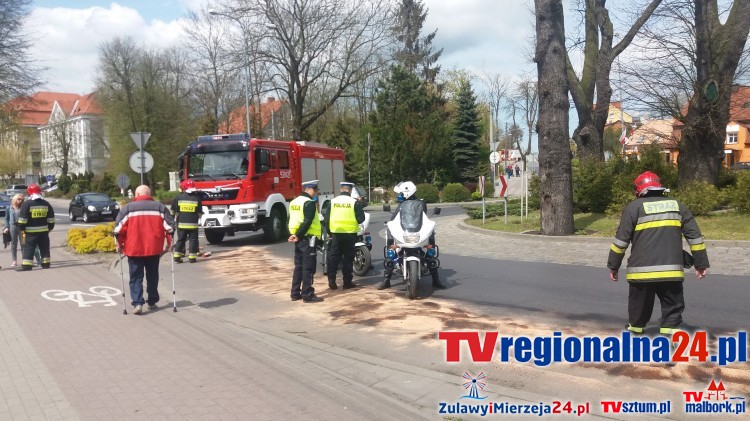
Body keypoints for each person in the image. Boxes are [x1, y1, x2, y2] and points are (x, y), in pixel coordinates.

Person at [607, 171, 709, 335]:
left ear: (639, 190)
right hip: (671, 272)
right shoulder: (678, 205)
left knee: (638, 308)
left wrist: (613, 266)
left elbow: (621, 242)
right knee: (672, 309)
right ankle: (668, 340)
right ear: (659, 187)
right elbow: (695, 237)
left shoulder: (634, 208)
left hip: (641, 273)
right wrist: (701, 263)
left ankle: (635, 335)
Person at [114, 185, 175, 315]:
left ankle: (137, 303)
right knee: (152, 275)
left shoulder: (128, 209)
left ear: (136, 195)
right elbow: (170, 228)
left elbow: (118, 230)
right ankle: (152, 301)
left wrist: (119, 245)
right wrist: (170, 244)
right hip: (153, 249)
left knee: (136, 277)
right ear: (150, 194)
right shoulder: (160, 208)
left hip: (134, 249)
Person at [378, 181, 446, 290]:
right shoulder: (401, 205)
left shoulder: (420, 203)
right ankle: (386, 280)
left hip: (417, 232)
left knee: (430, 247)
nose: (399, 196)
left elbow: (422, 218)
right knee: (391, 250)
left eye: (400, 193)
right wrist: (391, 223)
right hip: (405, 232)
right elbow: (394, 218)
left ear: (407, 192)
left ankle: (436, 279)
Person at [287, 180, 324, 303]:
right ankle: (307, 294)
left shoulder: (294, 202)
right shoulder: (308, 203)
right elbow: (307, 221)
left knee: (299, 266)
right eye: (314, 190)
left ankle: (295, 293)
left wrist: (295, 235)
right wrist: (298, 235)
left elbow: (294, 220)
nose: (316, 193)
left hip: (298, 238)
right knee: (308, 267)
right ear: (308, 189)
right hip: (307, 238)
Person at [325, 182, 366, 290]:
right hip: (350, 234)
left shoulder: (333, 201)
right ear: (350, 190)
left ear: (341, 189)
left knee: (334, 257)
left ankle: (331, 280)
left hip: (336, 234)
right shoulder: (354, 202)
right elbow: (361, 219)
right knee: (347, 259)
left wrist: (330, 232)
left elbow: (326, 219)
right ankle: (347, 282)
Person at [17, 185, 54, 271]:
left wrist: (22, 229)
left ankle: (27, 266)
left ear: (30, 193)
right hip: (44, 232)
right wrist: (49, 229)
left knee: (29, 248)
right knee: (44, 248)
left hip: (30, 232)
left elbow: (22, 220)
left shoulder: (27, 204)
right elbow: (51, 220)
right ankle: (45, 264)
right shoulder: (46, 204)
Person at [171, 180, 202, 263]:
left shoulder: (178, 198)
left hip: (181, 224)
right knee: (193, 240)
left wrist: (172, 221)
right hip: (193, 224)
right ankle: (192, 258)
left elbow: (173, 211)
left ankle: (177, 256)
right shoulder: (197, 198)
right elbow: (199, 212)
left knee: (181, 240)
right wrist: (196, 218)